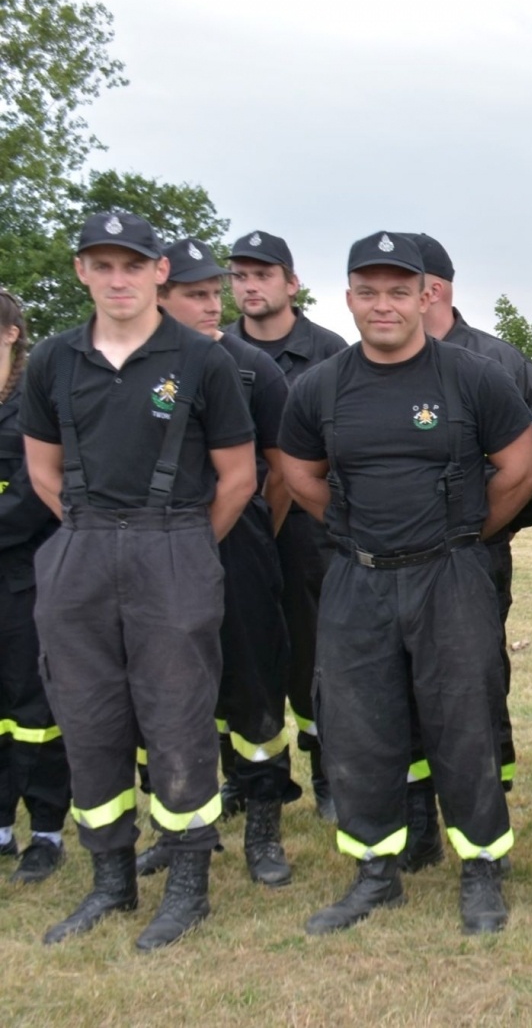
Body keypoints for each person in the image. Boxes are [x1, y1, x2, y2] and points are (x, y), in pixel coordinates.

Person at [278, 232, 532, 937]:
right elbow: (299, 474)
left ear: (427, 295)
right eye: (369, 291)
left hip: (449, 573)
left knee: (466, 723)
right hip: (357, 578)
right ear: (348, 298)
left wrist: (464, 531)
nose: (383, 304)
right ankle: (375, 871)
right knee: (359, 729)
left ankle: (481, 867)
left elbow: (521, 468)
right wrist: (358, 527)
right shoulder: (320, 386)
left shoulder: (471, 377)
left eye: (399, 290)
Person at [22, 210, 257, 949]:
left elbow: (239, 475)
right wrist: (98, 535)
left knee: (178, 716)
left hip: (175, 545)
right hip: (81, 545)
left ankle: (188, 881)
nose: (117, 278)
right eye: (102, 264)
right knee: (88, 717)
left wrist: (179, 547)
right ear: (81, 272)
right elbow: (41, 467)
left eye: (133, 264)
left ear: (160, 271)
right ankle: (111, 879)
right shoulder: (53, 361)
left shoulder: (203, 360)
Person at [398, 232, 532, 873]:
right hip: (392, 564)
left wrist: (494, 526)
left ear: (433, 289)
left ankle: (483, 812)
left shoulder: (497, 361)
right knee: (403, 689)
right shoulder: (374, 363)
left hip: (471, 558)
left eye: (404, 285)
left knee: (472, 684)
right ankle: (417, 820)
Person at [141, 238, 294, 887]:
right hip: (150, 560)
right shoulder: (130, 370)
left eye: (216, 290)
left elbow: (282, 470)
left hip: (240, 554)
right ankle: (175, 829)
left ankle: (263, 824)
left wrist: (249, 534)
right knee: (164, 698)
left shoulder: (254, 368)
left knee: (254, 692)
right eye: (196, 294)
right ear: (159, 296)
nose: (214, 304)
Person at [226, 230, 347, 822]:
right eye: (240, 276)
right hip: (236, 530)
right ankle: (245, 777)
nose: (250, 286)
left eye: (263, 275)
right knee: (239, 652)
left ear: (291, 283)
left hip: (306, 532)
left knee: (315, 656)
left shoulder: (329, 352)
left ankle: (328, 773)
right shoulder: (215, 353)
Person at [0, 290, 69, 884]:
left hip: (24, 578)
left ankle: (46, 829)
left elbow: (31, 493)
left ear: (11, 335)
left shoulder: (32, 402)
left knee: (35, 710)